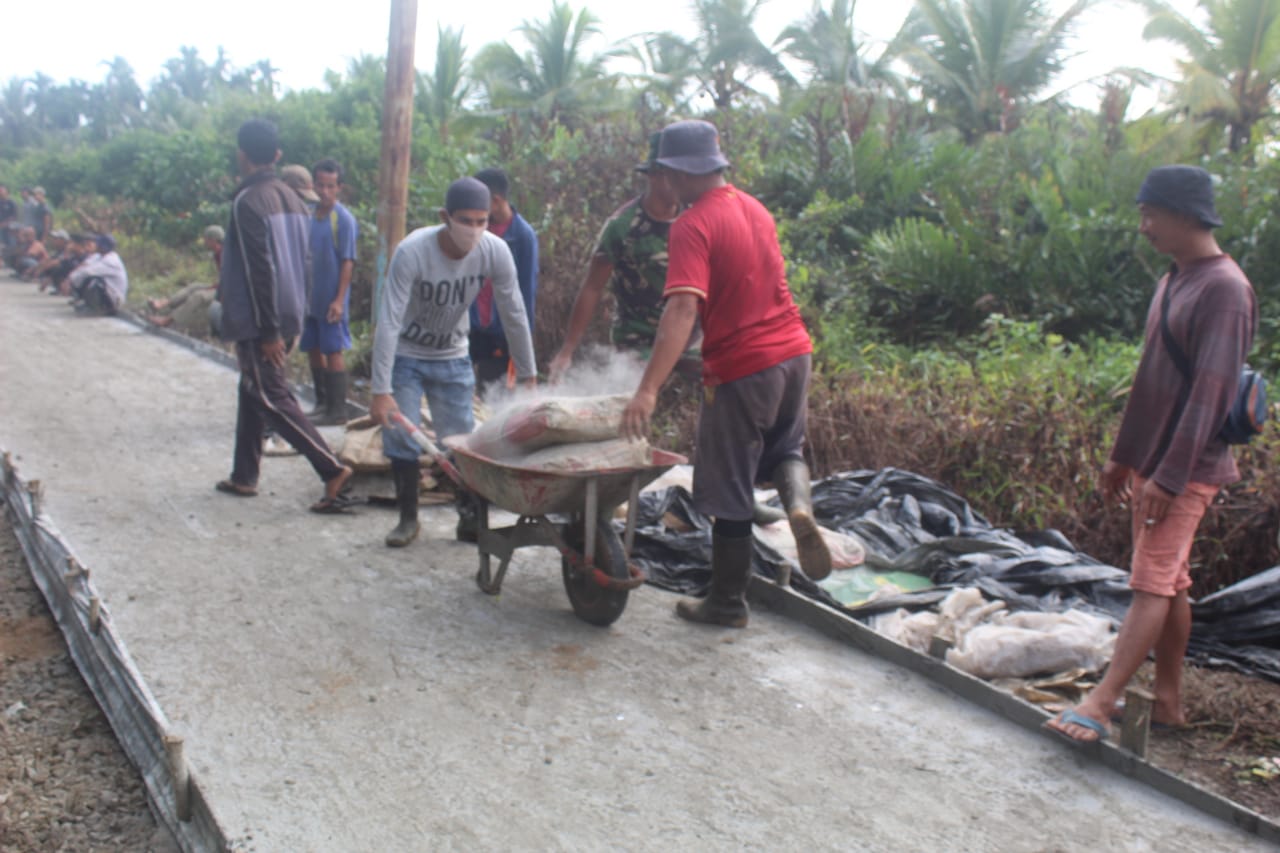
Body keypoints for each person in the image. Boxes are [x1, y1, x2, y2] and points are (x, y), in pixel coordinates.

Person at [1046, 165, 1256, 743]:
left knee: (1151, 582)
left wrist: (1169, 474)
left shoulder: (1225, 290)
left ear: (1186, 215)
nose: (1143, 227)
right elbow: (1151, 381)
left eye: (1150, 214)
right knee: (1173, 581)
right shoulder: (1174, 280)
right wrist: (1124, 457)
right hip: (1155, 463)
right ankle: (1167, 701)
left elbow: (1211, 395)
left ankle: (1102, 700)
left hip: (1185, 470)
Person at [620, 119, 832, 628]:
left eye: (664, 175)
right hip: (794, 353)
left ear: (674, 174)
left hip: (745, 370)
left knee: (729, 487)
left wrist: (648, 389)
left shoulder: (692, 224)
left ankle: (727, 603)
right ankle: (800, 509)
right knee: (786, 449)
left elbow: (682, 311)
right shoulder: (753, 207)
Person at [370, 177, 537, 547]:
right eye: (466, 221)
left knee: (463, 442)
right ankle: (408, 519)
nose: (475, 230)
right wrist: (380, 389)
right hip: (406, 355)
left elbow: (514, 311)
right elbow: (389, 319)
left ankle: (469, 520)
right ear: (445, 217)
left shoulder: (494, 250)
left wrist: (528, 373)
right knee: (402, 437)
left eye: (482, 221)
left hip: (452, 354)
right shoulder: (413, 251)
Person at [214, 118, 353, 513]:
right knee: (252, 389)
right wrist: (295, 312)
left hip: (263, 320)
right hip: (290, 310)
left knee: (269, 394)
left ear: (242, 155)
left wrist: (269, 329)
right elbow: (304, 262)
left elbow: (260, 270)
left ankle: (331, 468)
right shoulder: (293, 199)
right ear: (276, 155)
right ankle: (244, 475)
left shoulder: (248, 202)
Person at [549, 133, 686, 379]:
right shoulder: (622, 227)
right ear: (653, 176)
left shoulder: (695, 217)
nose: (680, 182)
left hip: (688, 338)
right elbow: (592, 288)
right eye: (672, 175)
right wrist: (567, 350)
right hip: (637, 343)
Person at [468, 167, 538, 391]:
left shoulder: (523, 236)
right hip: (470, 326)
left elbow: (526, 292)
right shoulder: (474, 228)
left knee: (493, 396)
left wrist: (519, 343)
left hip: (500, 332)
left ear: (495, 200)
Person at [300, 159, 358, 426]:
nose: (325, 191)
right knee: (312, 347)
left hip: (331, 299)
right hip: (311, 298)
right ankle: (322, 403)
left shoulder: (343, 219)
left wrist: (339, 300)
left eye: (330, 186)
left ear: (339, 188)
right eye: (320, 185)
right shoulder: (310, 214)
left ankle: (337, 409)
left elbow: (348, 261)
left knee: (333, 350)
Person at [68, 234, 128, 315]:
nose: (96, 245)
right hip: (108, 293)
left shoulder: (111, 261)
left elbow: (87, 271)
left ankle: (100, 309)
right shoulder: (99, 256)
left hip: (114, 299)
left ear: (103, 246)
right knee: (83, 278)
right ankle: (89, 305)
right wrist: (72, 278)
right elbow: (85, 265)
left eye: (98, 244)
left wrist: (73, 278)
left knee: (93, 281)